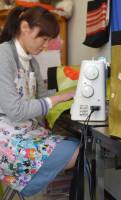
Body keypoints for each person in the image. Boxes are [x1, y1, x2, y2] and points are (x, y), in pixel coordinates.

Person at [0, 6, 79, 197]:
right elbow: (15, 111)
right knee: (78, 152)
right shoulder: (3, 54)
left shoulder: (32, 62)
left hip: (25, 131)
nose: (45, 46)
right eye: (44, 39)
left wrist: (73, 98)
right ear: (25, 27)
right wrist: (60, 98)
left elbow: (43, 101)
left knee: (80, 145)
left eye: (49, 41)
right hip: (6, 138)